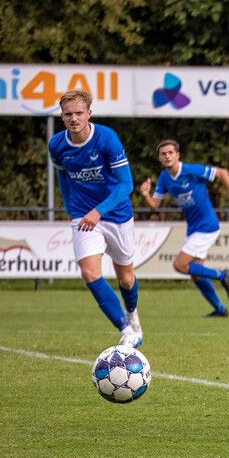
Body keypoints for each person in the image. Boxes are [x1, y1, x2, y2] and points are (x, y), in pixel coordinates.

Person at [48, 90, 142, 348]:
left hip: (116, 214)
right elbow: (63, 177)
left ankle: (133, 315)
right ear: (62, 116)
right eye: (68, 114)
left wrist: (98, 211)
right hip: (83, 215)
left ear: (89, 113)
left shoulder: (106, 138)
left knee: (126, 277)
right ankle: (126, 330)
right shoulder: (56, 145)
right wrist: (70, 208)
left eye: (79, 113)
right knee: (90, 273)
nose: (73, 118)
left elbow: (126, 184)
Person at [139, 138, 229, 317]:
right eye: (163, 154)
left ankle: (222, 275)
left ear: (178, 155)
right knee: (196, 274)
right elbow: (155, 205)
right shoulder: (164, 178)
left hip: (207, 226)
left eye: (171, 153)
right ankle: (220, 309)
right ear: (159, 158)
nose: (167, 156)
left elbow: (223, 173)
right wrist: (146, 194)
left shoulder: (191, 170)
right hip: (193, 228)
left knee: (179, 265)